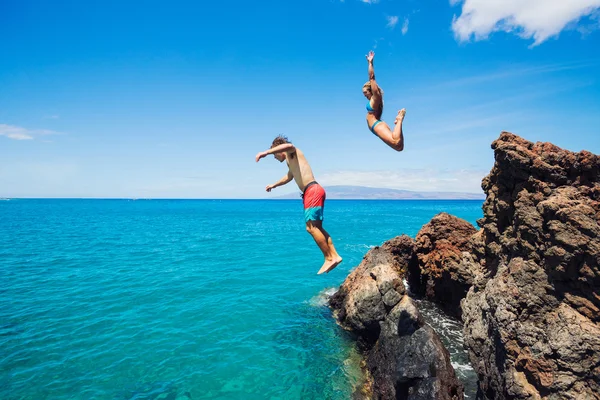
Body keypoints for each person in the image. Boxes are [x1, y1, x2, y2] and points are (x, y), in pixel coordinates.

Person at [255, 135, 343, 274]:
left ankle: (329, 258)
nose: (275, 158)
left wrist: (265, 152)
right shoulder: (291, 162)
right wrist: (274, 185)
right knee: (317, 227)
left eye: (274, 154)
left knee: (311, 228)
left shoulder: (292, 152)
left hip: (312, 191)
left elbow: (289, 146)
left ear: (278, 149)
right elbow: (289, 177)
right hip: (313, 191)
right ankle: (335, 256)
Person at [363, 50, 406, 151]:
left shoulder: (376, 97)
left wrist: (370, 63)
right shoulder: (374, 100)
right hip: (377, 125)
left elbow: (372, 78)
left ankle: (399, 119)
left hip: (376, 125)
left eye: (365, 93)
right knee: (399, 147)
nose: (364, 95)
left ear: (371, 91)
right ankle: (399, 121)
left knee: (396, 143)